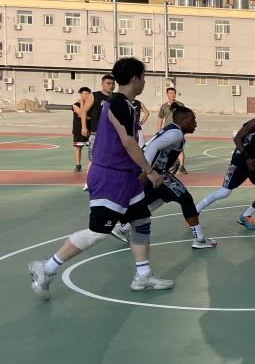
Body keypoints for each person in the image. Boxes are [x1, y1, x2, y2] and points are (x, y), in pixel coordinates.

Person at [29, 58, 172, 299]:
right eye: (143, 77)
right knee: (98, 232)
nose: (144, 82)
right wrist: (149, 170)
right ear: (135, 79)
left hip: (126, 177)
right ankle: (46, 267)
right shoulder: (118, 104)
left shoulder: (125, 104)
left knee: (141, 221)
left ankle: (143, 275)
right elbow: (128, 142)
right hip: (110, 177)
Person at [112, 106, 217, 250]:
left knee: (159, 199)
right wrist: (147, 172)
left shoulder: (173, 131)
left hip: (155, 170)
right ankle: (199, 239)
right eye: (192, 120)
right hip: (153, 171)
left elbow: (156, 148)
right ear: (182, 121)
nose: (195, 123)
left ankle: (124, 228)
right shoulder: (176, 133)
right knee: (186, 199)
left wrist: (168, 163)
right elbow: (152, 147)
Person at [195, 101, 255, 230]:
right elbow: (237, 138)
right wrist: (247, 156)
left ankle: (245, 216)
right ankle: (195, 211)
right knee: (224, 192)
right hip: (241, 160)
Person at [82, 73, 116, 188]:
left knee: (110, 159)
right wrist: (84, 127)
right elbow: (84, 111)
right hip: (96, 132)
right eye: (108, 83)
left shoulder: (115, 97)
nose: (110, 86)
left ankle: (107, 181)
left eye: (112, 84)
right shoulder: (94, 95)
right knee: (93, 158)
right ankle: (88, 182)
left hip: (111, 134)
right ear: (102, 84)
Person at [157, 87, 187, 173]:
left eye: (174, 93)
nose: (172, 95)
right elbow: (160, 118)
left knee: (180, 148)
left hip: (178, 130)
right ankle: (167, 166)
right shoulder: (164, 107)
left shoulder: (180, 105)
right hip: (167, 131)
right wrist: (159, 131)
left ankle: (182, 166)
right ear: (167, 94)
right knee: (166, 149)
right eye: (170, 93)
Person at [71, 86, 91, 172]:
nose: (86, 96)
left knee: (91, 147)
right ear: (81, 95)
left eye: (88, 94)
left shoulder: (91, 105)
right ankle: (78, 165)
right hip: (78, 129)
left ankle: (91, 165)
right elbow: (80, 114)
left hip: (89, 129)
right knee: (78, 147)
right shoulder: (75, 105)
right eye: (84, 94)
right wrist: (82, 103)